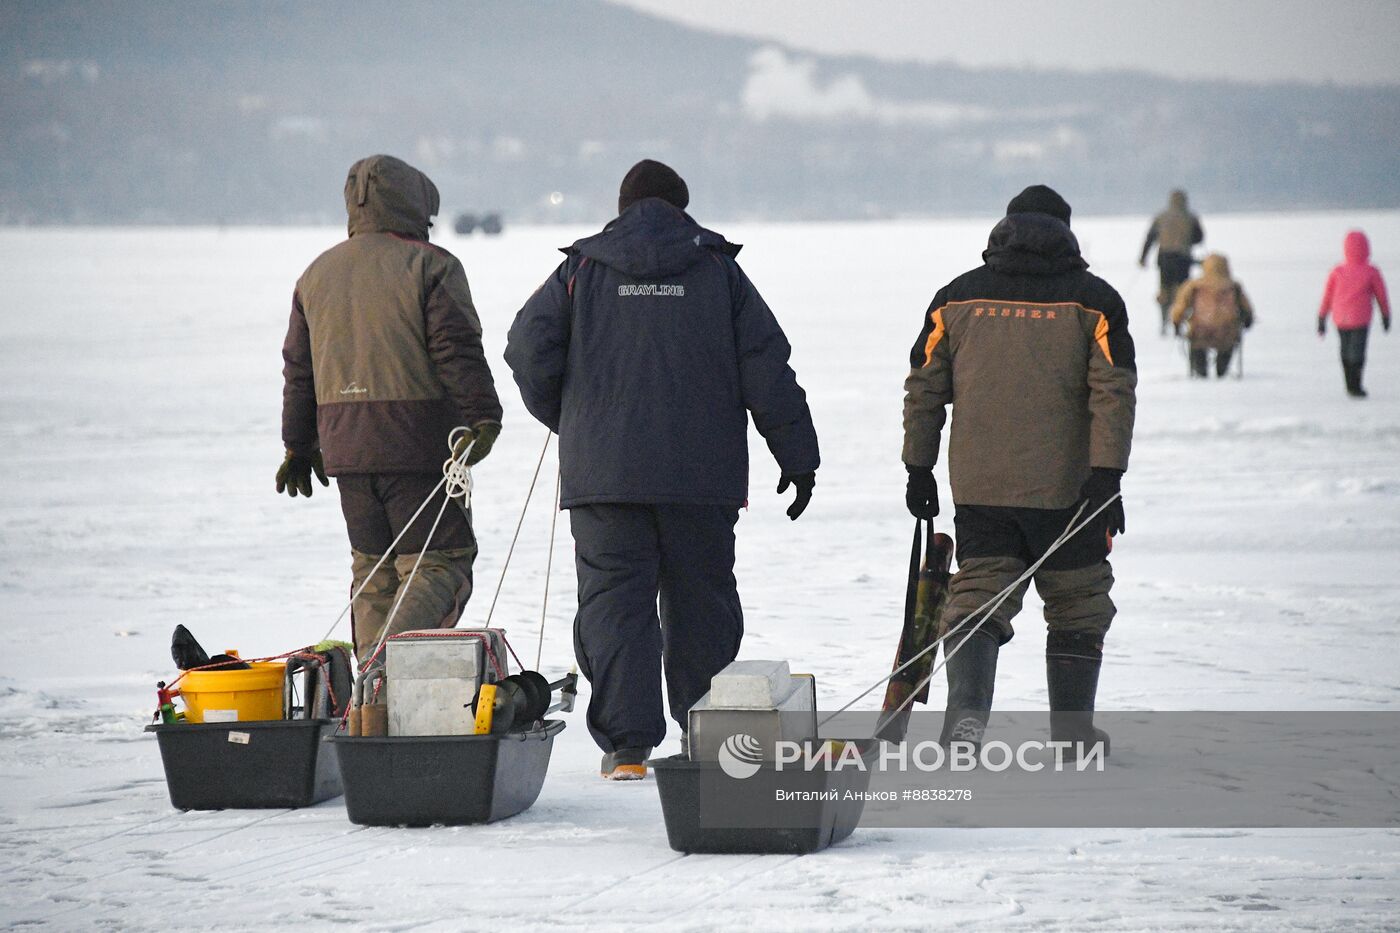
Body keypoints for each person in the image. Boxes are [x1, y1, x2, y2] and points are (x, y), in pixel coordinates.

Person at [505, 159, 819, 780]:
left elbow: (525, 349)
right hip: (700, 478)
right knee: (701, 602)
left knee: (614, 604)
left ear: (622, 209)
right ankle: (706, 737)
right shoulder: (718, 271)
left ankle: (626, 749)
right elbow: (768, 368)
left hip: (605, 477)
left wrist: (575, 420)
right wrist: (798, 456)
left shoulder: (581, 270)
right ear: (683, 206)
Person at [903, 184, 1136, 753]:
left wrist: (919, 466)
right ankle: (1073, 734)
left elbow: (924, 387)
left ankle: (964, 725)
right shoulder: (1095, 300)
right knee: (1078, 599)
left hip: (981, 485)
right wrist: (1108, 477)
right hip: (1071, 489)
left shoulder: (956, 297)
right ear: (1067, 230)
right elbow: (1114, 393)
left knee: (978, 597)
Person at [279, 154, 503, 665]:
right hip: (419, 445)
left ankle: (369, 711)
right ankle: (384, 672)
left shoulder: (315, 273)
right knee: (439, 564)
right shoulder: (432, 264)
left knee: (373, 569)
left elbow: (299, 369)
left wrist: (298, 445)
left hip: (345, 450)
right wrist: (483, 417)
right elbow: (456, 348)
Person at [1318, 230, 1391, 398]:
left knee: (1345, 350)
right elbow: (1382, 295)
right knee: (1357, 352)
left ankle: (1349, 383)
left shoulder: (1337, 271)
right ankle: (1355, 385)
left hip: (1341, 318)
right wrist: (1385, 315)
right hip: (1360, 318)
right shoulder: (1371, 271)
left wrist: (1322, 317)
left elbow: (1327, 296)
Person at [1170, 253, 1255, 379]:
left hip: (1200, 331)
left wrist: (1176, 322)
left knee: (1197, 346)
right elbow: (1246, 308)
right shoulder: (1234, 286)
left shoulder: (1194, 286)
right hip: (1227, 332)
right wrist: (1248, 320)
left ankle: (1201, 370)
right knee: (1227, 344)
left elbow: (1180, 307)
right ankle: (1221, 369)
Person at [1139, 189, 1204, 336]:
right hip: (1183, 260)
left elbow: (1150, 238)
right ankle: (1178, 324)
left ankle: (1163, 322)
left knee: (1165, 292)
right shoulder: (1190, 217)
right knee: (1181, 293)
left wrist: (1143, 258)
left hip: (1164, 259)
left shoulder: (1161, 217)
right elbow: (1199, 238)